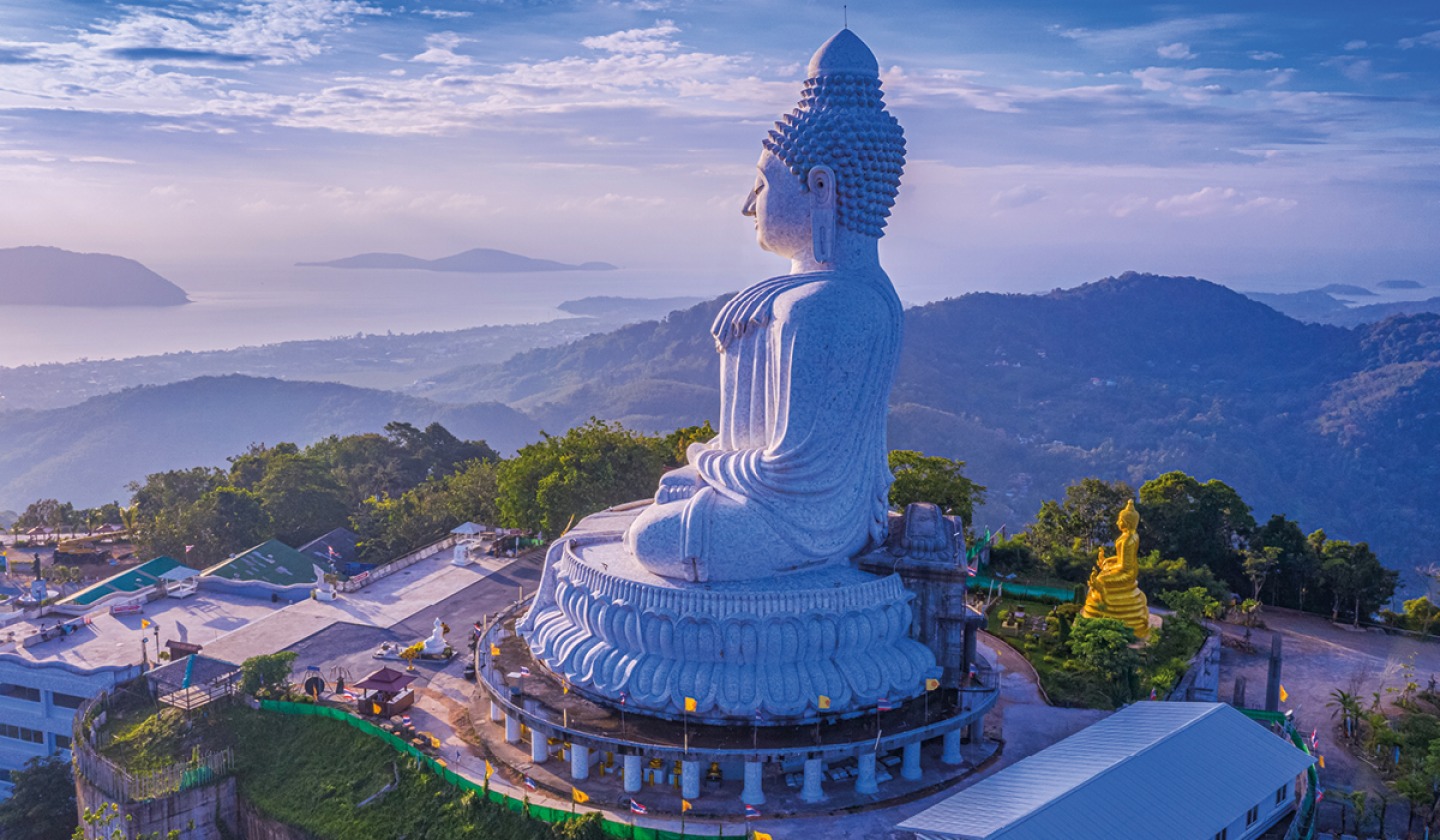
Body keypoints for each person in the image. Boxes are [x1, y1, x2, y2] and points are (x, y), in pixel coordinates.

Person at [624, 30, 907, 583]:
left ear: (820, 189)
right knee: (669, 498)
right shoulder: (858, 290)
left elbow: (792, 477)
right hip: (809, 511)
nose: (748, 206)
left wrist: (705, 459)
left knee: (650, 538)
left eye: (760, 185)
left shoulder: (822, 309)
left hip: (808, 527)